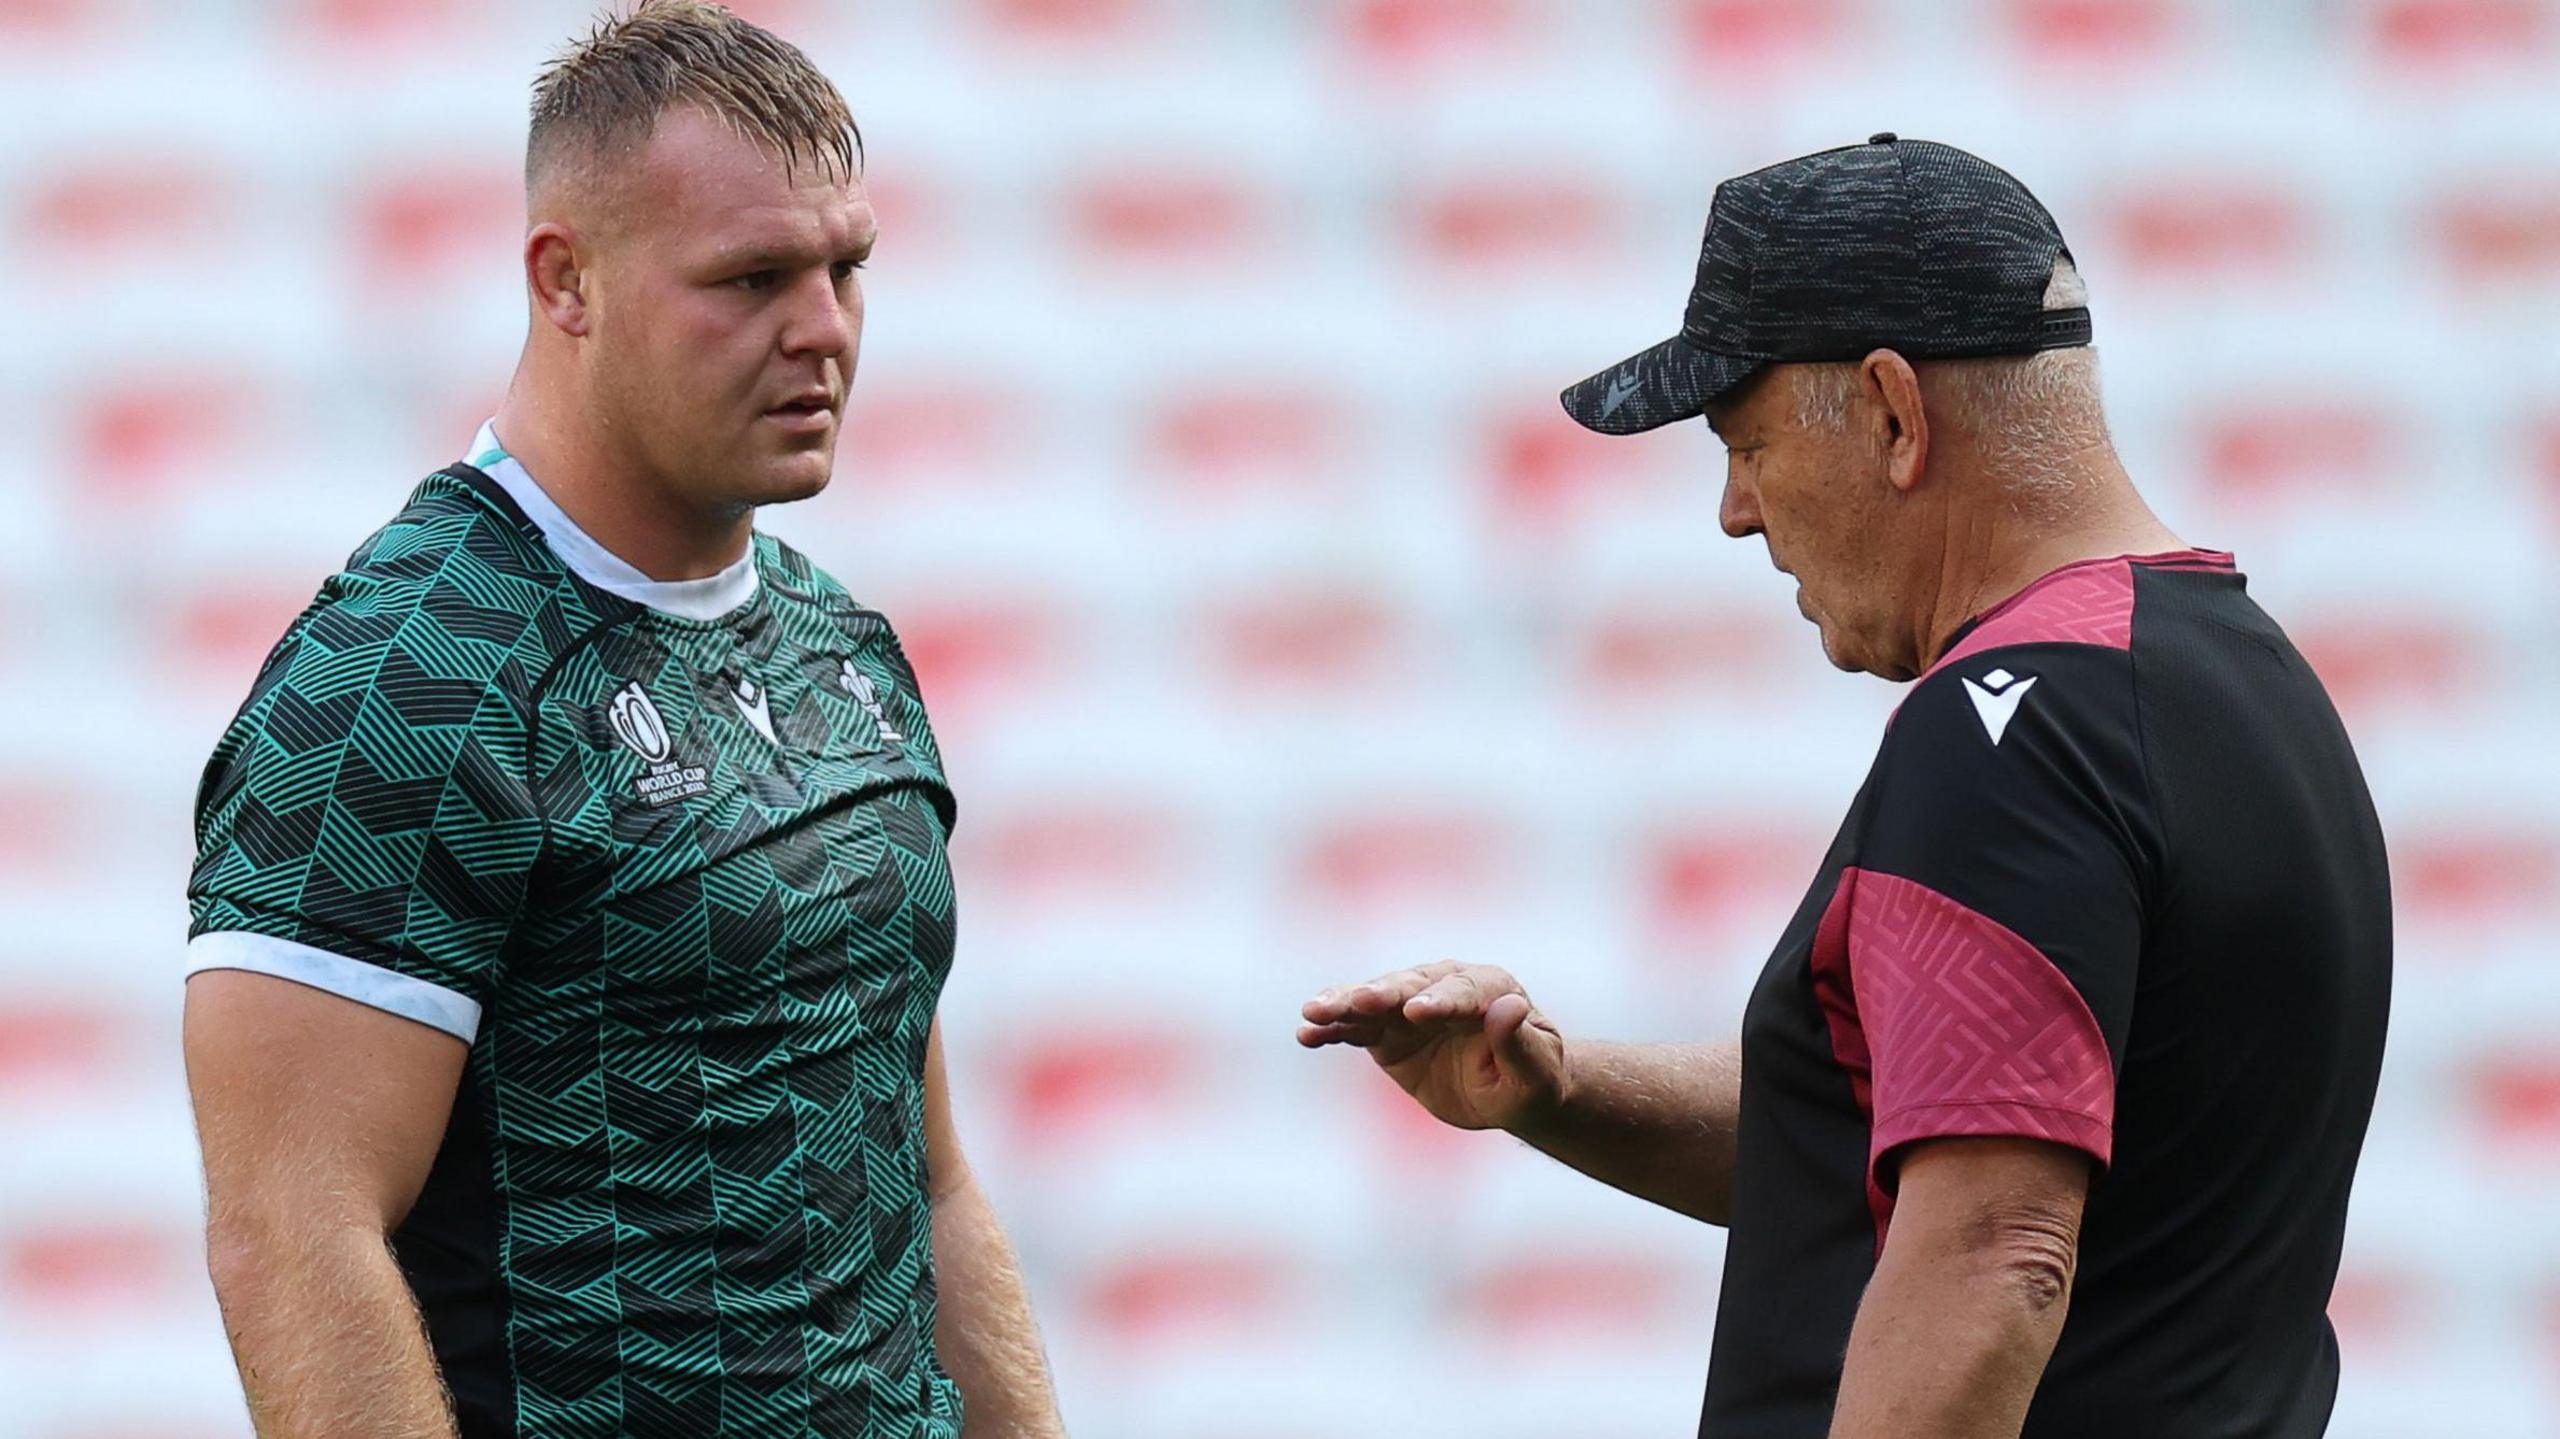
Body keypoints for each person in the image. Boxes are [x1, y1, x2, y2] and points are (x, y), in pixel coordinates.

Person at [1300, 135, 2390, 1439]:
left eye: (1746, 440)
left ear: (1892, 412)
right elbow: (1926, 1126)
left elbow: (1995, 1251)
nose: (1735, 512)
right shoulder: (2242, 680)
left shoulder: (2014, 724)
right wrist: (1558, 1087)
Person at [181, 5, 1065, 1436]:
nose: (825, 330)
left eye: (848, 269)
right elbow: (292, 1237)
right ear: (566, 279)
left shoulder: (842, 648)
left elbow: (930, 1179)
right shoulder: (397, 683)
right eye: (753, 277)